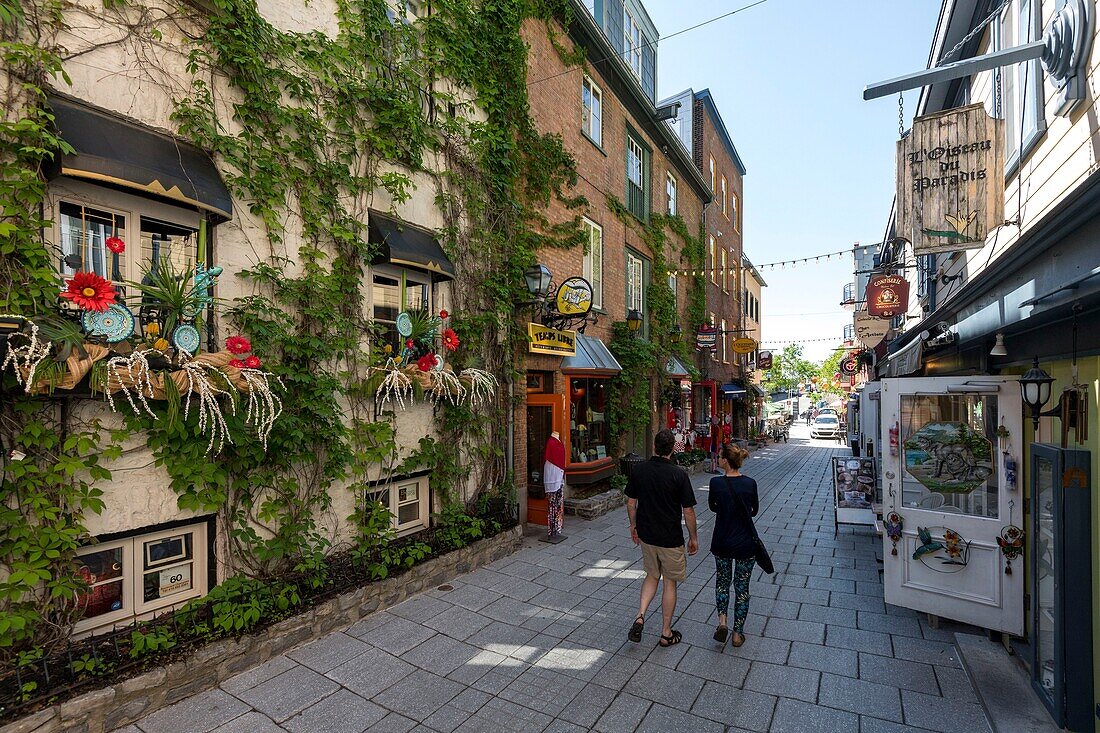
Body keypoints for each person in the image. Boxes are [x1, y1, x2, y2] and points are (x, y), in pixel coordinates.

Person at [625, 429, 699, 647]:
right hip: (670, 537)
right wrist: (693, 537)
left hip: (647, 535)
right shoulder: (679, 475)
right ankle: (666, 632)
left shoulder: (640, 471)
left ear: (655, 447)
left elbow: (631, 503)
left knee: (651, 575)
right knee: (669, 583)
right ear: (672, 449)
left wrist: (634, 525)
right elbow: (688, 511)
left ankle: (640, 615)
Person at [708, 443, 759, 648]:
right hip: (745, 543)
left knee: (722, 583)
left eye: (720, 457)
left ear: (725, 461)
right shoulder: (750, 483)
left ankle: (722, 622)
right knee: (742, 588)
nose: (718, 459)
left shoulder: (716, 483)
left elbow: (713, 507)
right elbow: (754, 510)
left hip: (722, 541)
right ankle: (738, 633)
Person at [542, 431, 566, 542]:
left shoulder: (558, 441)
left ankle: (557, 528)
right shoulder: (551, 442)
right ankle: (551, 530)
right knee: (552, 504)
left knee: (558, 503)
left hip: (559, 474)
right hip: (552, 474)